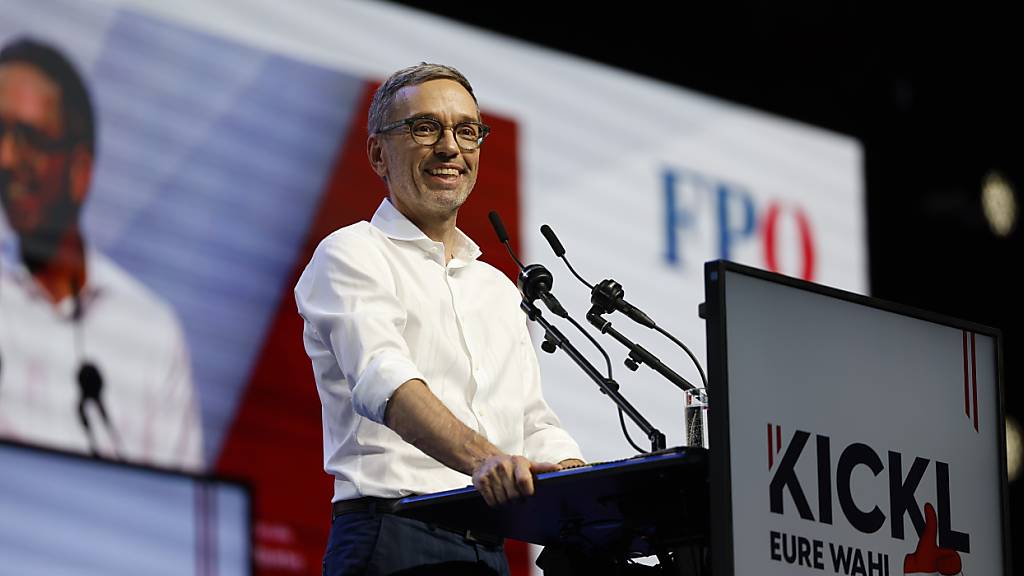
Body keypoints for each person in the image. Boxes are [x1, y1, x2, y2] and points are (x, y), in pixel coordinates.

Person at [295, 63, 584, 575]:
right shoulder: (353, 252)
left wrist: (579, 481)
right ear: (378, 154)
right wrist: (482, 460)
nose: (450, 147)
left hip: (490, 550)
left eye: (466, 131)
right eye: (425, 127)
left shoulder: (496, 287)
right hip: (392, 537)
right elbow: (385, 380)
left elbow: (533, 423)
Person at [0, 37, 202, 472]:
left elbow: (174, 506)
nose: (7, 158)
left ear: (80, 169)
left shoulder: (149, 330)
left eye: (29, 138)